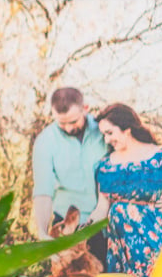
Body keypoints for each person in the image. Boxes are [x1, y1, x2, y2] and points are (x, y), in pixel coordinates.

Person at [86, 103, 162, 277]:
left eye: (109, 133)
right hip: (121, 248)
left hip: (155, 239)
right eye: (103, 135)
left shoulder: (160, 158)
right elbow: (102, 208)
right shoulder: (105, 167)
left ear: (127, 128)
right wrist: (83, 231)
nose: (106, 140)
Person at [32, 88, 109, 250]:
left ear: (85, 109)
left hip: (107, 223)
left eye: (73, 122)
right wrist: (42, 232)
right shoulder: (45, 142)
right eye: (62, 123)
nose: (68, 128)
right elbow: (43, 192)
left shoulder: (104, 132)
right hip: (69, 227)